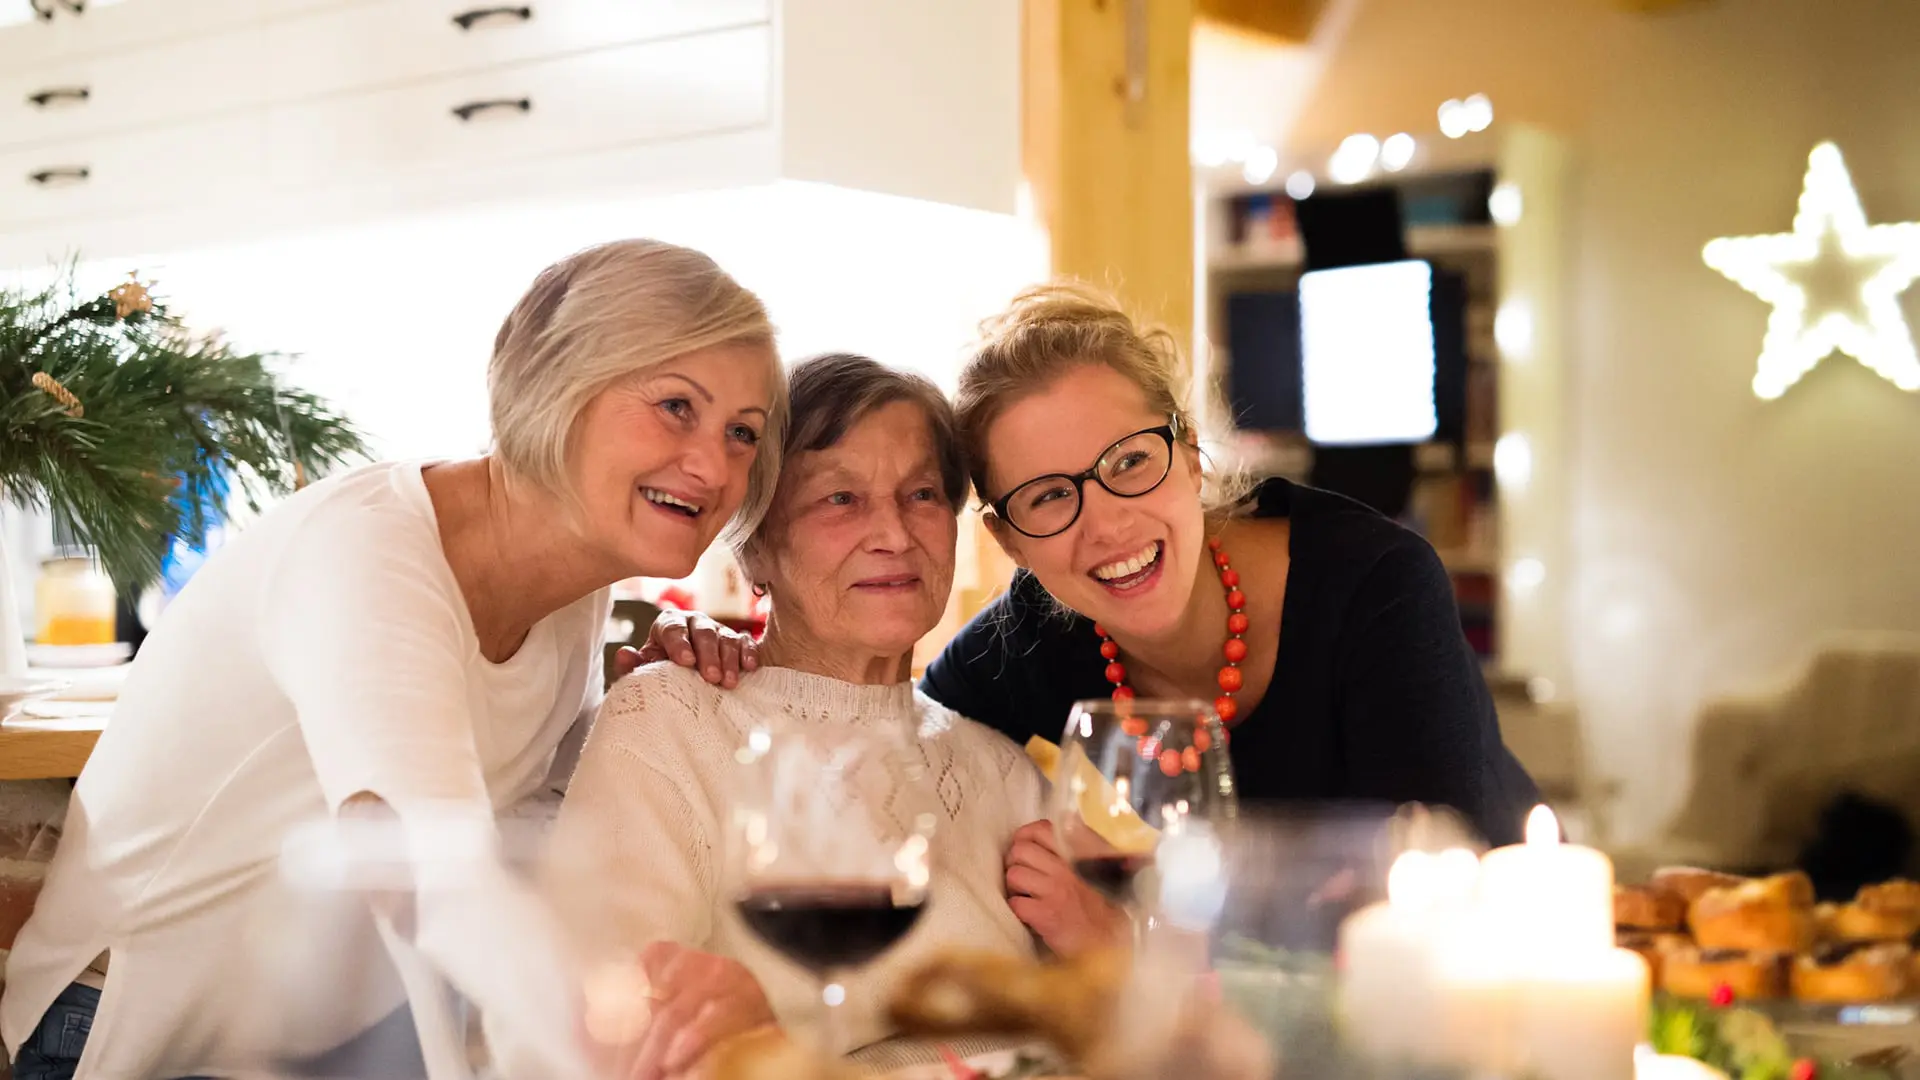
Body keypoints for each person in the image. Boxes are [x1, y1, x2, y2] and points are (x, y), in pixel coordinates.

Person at [2, 239, 787, 1080]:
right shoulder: (365, 557)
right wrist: (623, 1043)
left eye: (743, 432)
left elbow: (510, 811)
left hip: (326, 1045)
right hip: (125, 1041)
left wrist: (644, 698)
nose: (715, 464)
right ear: (559, 384)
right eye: (676, 406)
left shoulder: (567, 578)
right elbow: (429, 874)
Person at [642, 283, 1540, 950]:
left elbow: (1451, 924)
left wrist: (1130, 947)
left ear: (1191, 455)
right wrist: (727, 657)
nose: (1104, 522)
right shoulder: (1020, 654)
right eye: (1046, 496)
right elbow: (871, 704)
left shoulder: (1373, 583)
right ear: (1008, 539)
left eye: (1129, 462)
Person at [549, 354, 1064, 1076]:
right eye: (839, 499)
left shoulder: (1000, 768)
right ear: (754, 545)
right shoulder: (671, 718)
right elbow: (603, 1029)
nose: (893, 533)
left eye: (921, 494)